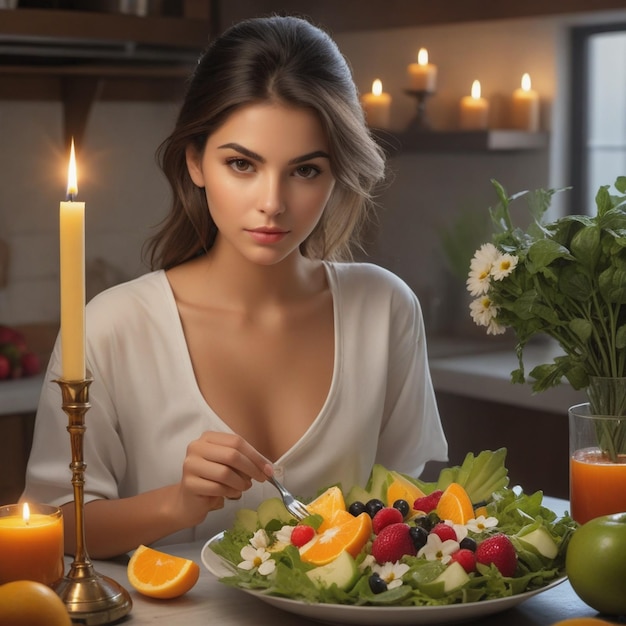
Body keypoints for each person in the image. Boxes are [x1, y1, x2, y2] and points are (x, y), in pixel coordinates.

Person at [21, 14, 448, 559]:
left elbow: (404, 511)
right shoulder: (112, 326)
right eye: (242, 164)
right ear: (195, 161)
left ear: (336, 171)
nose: (272, 202)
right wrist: (177, 502)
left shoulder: (385, 308)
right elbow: (50, 526)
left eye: (305, 170)